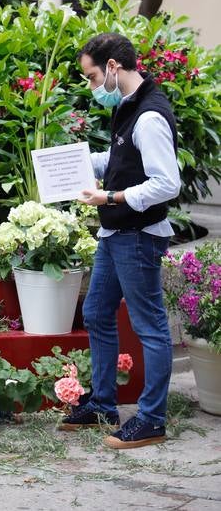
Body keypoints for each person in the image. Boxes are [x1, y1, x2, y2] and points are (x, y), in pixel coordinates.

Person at [61, 32, 180, 449]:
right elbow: (121, 159)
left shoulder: (148, 116)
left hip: (138, 235)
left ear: (113, 67)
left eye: (92, 77)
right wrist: (70, 161)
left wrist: (110, 196)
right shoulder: (130, 108)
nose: (92, 87)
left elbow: (167, 183)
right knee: (96, 311)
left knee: (150, 327)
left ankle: (151, 420)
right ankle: (103, 405)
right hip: (117, 233)